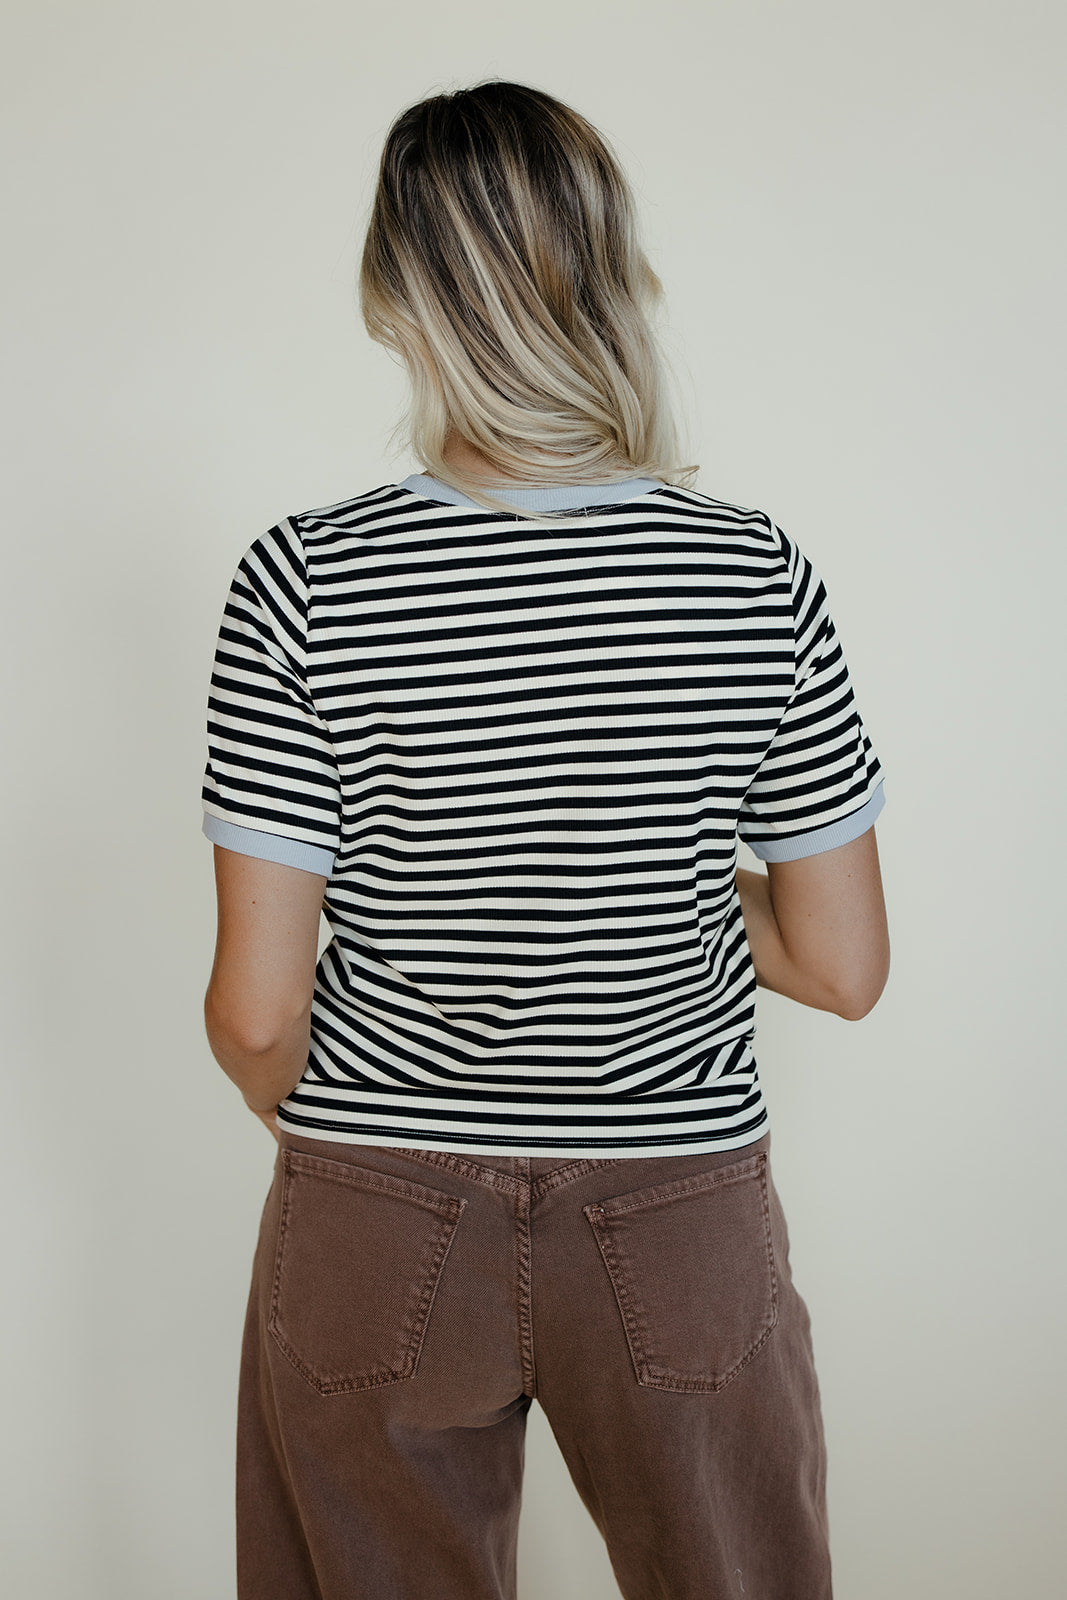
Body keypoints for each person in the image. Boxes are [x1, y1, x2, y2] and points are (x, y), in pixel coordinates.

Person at [201, 79, 889, 1600]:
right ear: (610, 271)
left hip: (376, 1199)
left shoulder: (303, 579)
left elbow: (255, 1009)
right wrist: (673, 867)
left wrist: (355, 1160)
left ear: (396, 292)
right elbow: (844, 967)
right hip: (675, 1207)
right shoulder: (750, 572)